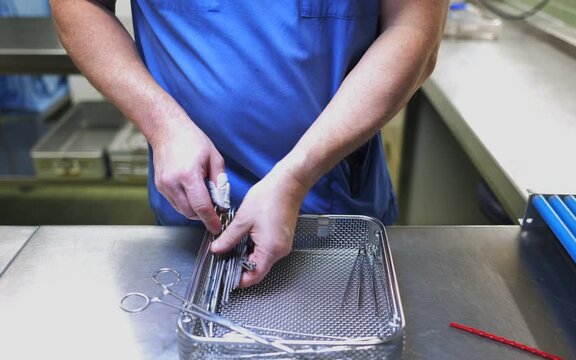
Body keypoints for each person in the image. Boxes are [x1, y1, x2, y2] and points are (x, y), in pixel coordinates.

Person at [51, 0, 448, 287]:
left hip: (334, 207)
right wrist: (162, 123)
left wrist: (296, 175)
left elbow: (414, 27)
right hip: (193, 211)